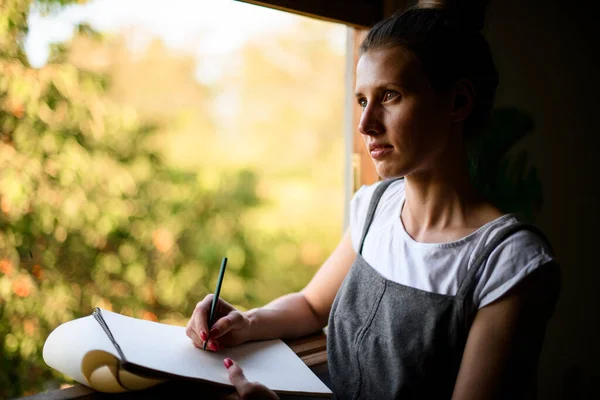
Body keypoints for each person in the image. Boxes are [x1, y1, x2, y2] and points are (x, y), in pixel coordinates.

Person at [186, 4, 561, 399]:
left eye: (390, 96)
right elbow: (313, 306)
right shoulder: (375, 207)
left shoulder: (509, 263)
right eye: (363, 101)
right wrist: (245, 321)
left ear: (458, 102)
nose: (366, 125)